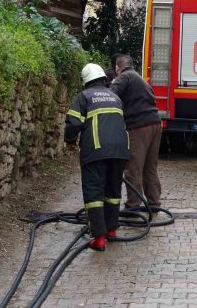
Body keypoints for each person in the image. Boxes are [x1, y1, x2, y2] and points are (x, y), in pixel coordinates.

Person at [65, 63, 130, 251]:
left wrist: (69, 140)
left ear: (86, 80)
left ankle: (99, 238)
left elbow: (73, 124)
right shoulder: (115, 97)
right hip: (119, 151)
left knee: (94, 193)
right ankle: (111, 230)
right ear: (103, 79)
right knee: (112, 192)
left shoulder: (84, 97)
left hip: (96, 151)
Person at [110, 54, 162, 209]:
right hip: (155, 124)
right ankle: (154, 203)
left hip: (139, 127)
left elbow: (110, 95)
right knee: (150, 167)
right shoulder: (139, 78)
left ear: (117, 68)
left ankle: (133, 205)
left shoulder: (123, 77)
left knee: (134, 167)